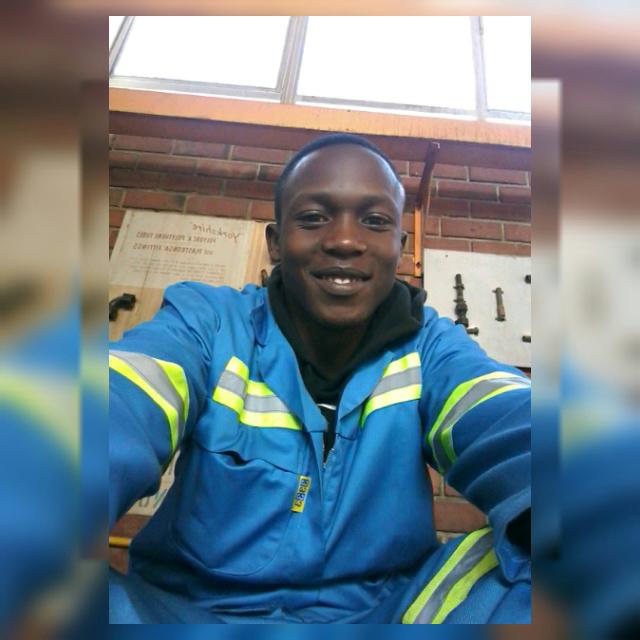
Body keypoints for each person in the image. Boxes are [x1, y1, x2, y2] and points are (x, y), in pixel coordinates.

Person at [109, 133, 531, 624]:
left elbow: (509, 419)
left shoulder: (431, 350)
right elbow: (118, 399)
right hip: (185, 615)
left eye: (375, 221)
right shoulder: (208, 324)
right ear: (276, 242)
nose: (345, 241)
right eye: (313, 218)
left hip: (389, 618)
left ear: (400, 247)